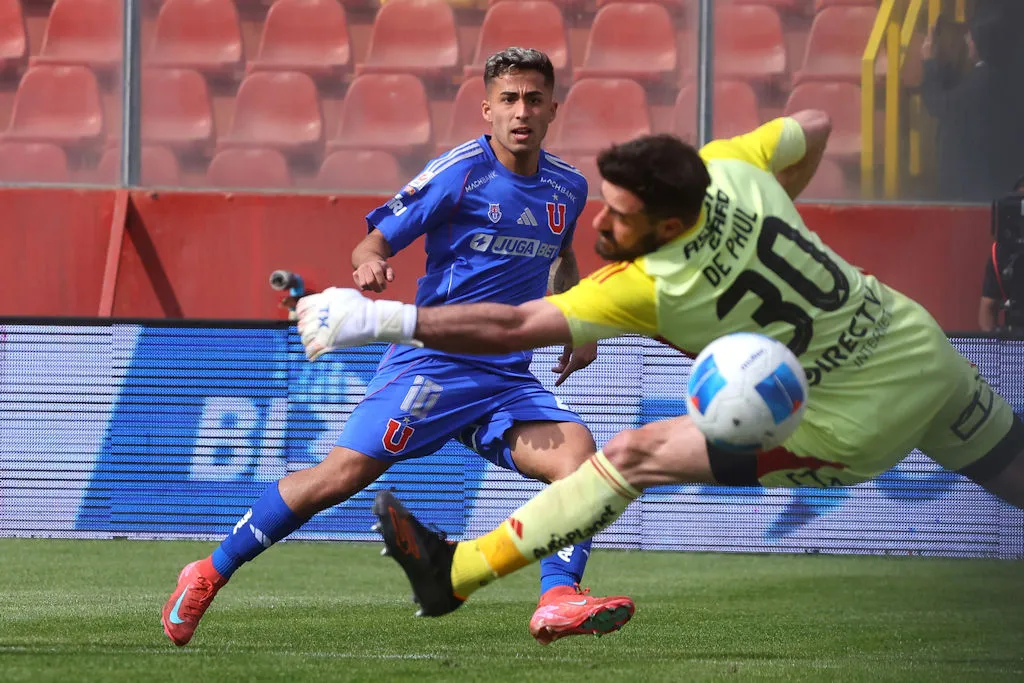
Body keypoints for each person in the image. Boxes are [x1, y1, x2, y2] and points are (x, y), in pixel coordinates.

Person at [295, 113, 1024, 617]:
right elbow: (820, 124)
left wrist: (387, 320)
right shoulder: (732, 168)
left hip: (853, 427)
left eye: (619, 217)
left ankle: (451, 575)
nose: (599, 225)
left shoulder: (647, 282)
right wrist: (780, 213)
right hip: (922, 352)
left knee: (633, 456)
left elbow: (513, 325)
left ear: (668, 226)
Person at [161, 47, 636, 647]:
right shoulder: (458, 172)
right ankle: (207, 571)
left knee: (579, 458)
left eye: (534, 100)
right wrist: (372, 269)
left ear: (552, 110)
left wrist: (579, 327)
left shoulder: (567, 186)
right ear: (486, 108)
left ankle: (557, 598)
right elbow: (373, 242)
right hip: (432, 363)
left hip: (506, 379)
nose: (522, 111)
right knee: (339, 477)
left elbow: (561, 259)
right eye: (509, 100)